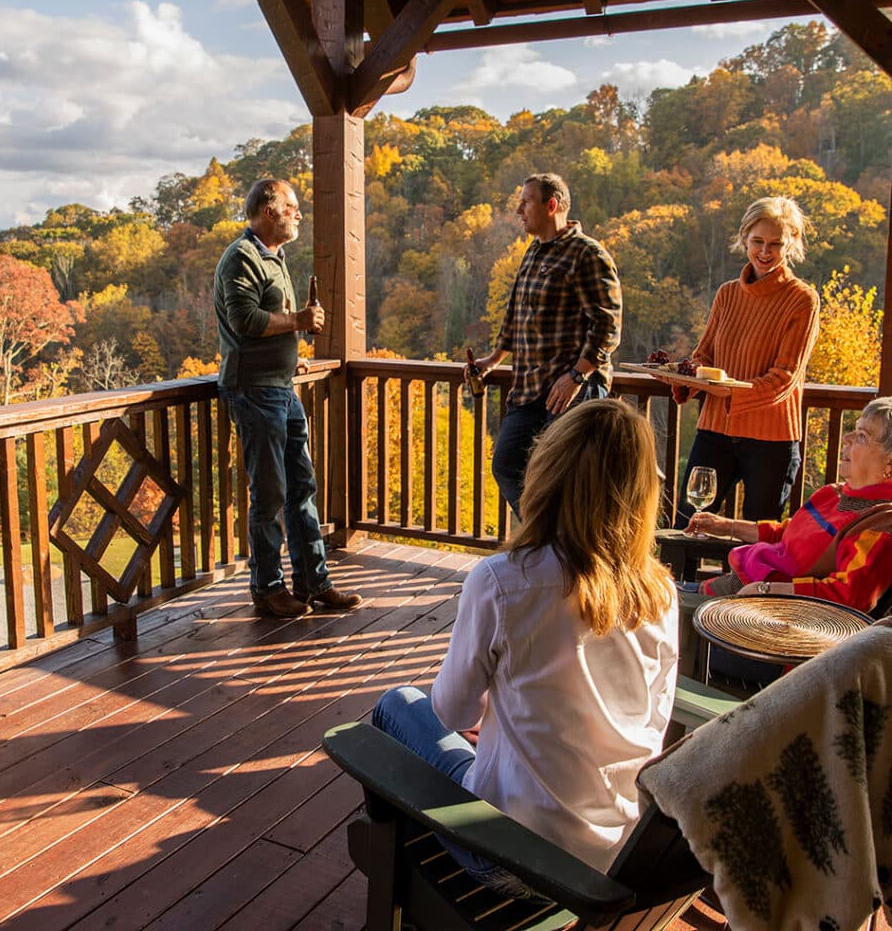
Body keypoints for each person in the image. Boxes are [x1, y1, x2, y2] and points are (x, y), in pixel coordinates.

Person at [372, 398, 678, 896]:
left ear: (548, 472)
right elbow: (653, 727)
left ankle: (399, 875)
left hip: (510, 857)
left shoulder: (502, 581)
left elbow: (450, 712)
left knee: (398, 705)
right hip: (612, 859)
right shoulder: (660, 595)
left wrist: (490, 714)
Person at [213, 178, 361, 618]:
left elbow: (267, 323)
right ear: (268, 210)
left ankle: (314, 583)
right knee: (270, 494)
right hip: (254, 392)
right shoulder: (241, 258)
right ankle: (267, 588)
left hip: (280, 386)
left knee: (302, 489)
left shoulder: (274, 258)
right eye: (292, 207)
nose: (299, 214)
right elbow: (243, 320)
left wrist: (288, 356)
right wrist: (298, 320)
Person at [467, 173, 621, 517]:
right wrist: (493, 359)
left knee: (567, 483)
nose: (519, 209)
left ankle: (564, 554)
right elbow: (516, 312)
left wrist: (578, 376)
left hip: (571, 391)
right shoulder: (534, 252)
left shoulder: (587, 254)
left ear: (551, 205)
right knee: (508, 466)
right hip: (530, 388)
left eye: (526, 201)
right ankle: (549, 544)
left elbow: (608, 325)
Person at [669, 197, 819, 526]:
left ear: (792, 242)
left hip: (771, 440)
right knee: (684, 527)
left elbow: (785, 378)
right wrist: (684, 381)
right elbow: (703, 357)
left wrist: (730, 394)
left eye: (776, 244)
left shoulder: (802, 300)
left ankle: (739, 583)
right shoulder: (726, 294)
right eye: (758, 242)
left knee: (755, 544)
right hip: (714, 431)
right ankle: (679, 581)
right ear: (744, 239)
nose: (765, 252)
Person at [686, 396, 892, 613]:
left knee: (653, 606)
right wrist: (726, 526)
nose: (846, 438)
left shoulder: (879, 524)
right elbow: (789, 533)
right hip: (730, 592)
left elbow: (849, 596)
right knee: (655, 594)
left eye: (861, 436)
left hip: (753, 619)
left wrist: (767, 590)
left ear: (890, 461)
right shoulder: (834, 494)